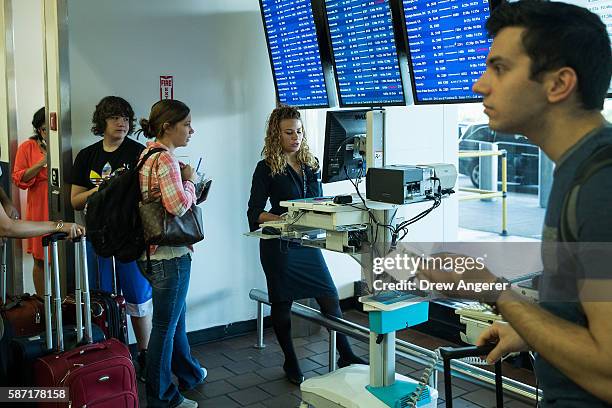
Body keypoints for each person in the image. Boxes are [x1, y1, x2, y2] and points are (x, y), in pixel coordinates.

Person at [417, 1, 612, 406]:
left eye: (500, 68)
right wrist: (527, 330)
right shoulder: (576, 169)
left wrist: (494, 290)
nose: (480, 85)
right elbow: (584, 311)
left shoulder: (601, 185)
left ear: (559, 84)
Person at [247, 105, 366, 386]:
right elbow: (254, 212)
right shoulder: (266, 168)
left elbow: (318, 203)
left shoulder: (311, 164)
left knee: (329, 296)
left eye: (299, 131)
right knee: (282, 302)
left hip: (306, 243)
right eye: (288, 132)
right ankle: (290, 359)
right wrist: (280, 218)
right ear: (276, 135)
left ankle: (345, 353)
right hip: (280, 245)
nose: (295, 137)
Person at [69, 96, 152, 379]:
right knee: (102, 300)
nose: (122, 123)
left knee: (138, 298)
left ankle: (145, 356)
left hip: (130, 237)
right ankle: (108, 355)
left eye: (126, 118)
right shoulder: (87, 156)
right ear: (102, 122)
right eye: (115, 117)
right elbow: (75, 201)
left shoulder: (139, 153)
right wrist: (103, 189)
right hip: (97, 237)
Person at [136, 99, 205, 408]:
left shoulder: (145, 155)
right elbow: (177, 206)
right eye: (187, 124)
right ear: (168, 127)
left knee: (175, 320)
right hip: (169, 256)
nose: (192, 130)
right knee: (165, 327)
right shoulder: (165, 159)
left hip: (149, 253)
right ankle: (162, 397)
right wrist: (190, 180)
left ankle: (189, 374)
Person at [12, 107, 49, 294]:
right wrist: (42, 162)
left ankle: (66, 307)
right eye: (44, 129)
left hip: (60, 204)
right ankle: (43, 305)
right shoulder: (27, 147)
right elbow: (19, 179)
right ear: (38, 130)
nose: (48, 133)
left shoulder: (64, 143)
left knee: (65, 258)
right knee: (40, 259)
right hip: (39, 206)